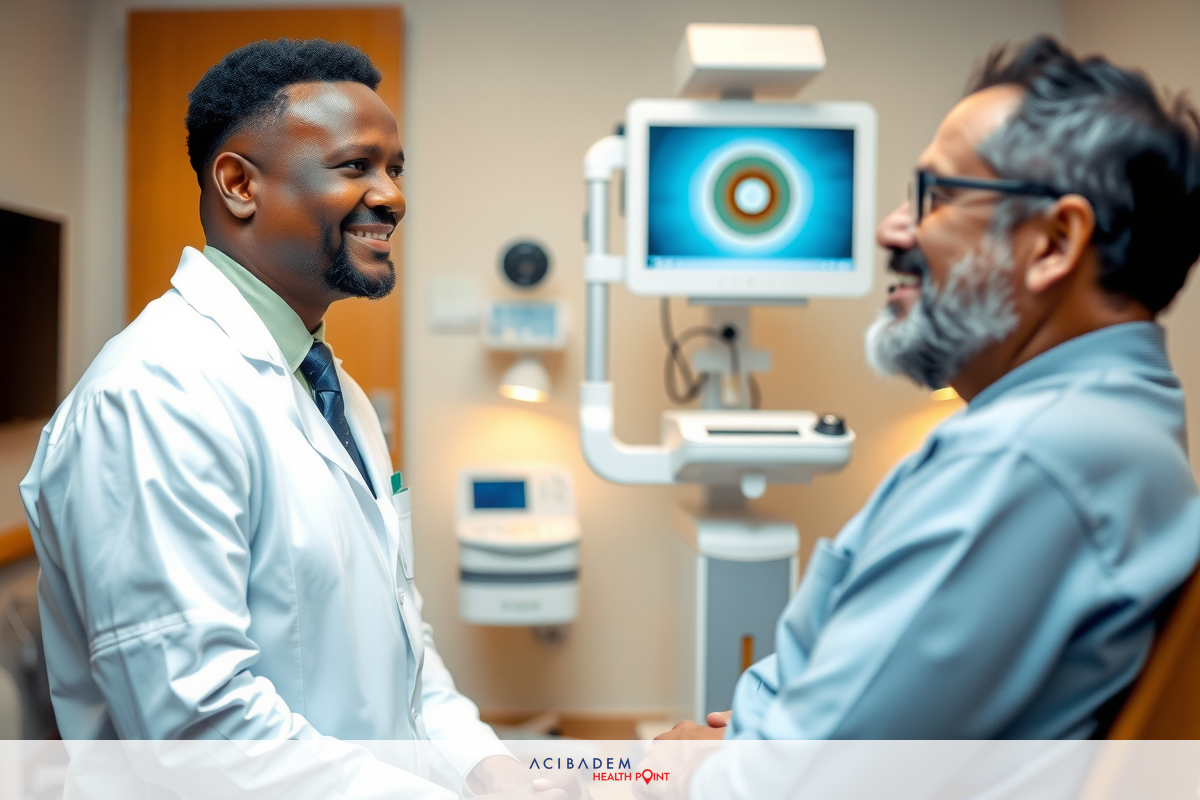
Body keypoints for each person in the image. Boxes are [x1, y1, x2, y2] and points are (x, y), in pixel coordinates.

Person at [20, 39, 563, 800]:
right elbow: (198, 733)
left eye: (396, 169)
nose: (393, 196)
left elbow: (403, 649)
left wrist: (497, 773)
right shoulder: (152, 398)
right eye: (356, 167)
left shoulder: (331, 388)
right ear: (240, 183)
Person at [660, 36, 1200, 744]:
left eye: (935, 196)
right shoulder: (1114, 420)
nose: (892, 229)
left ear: (1054, 243)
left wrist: (692, 765)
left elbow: (800, 777)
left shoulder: (1021, 460)